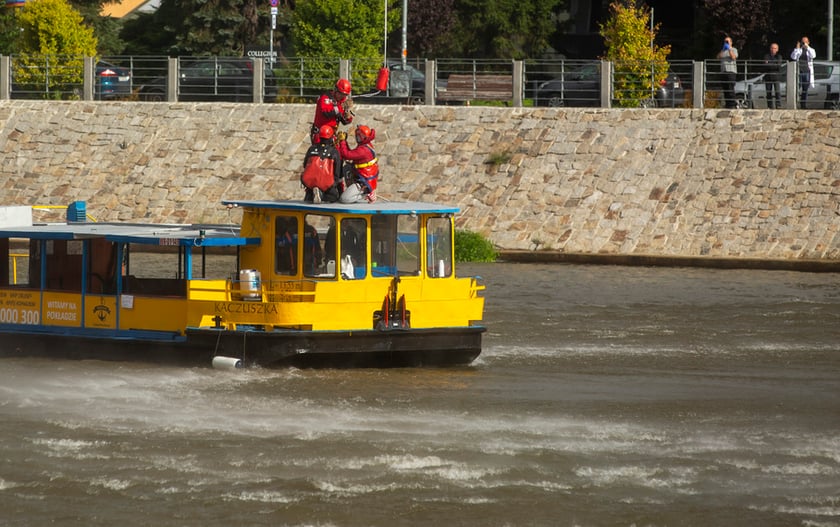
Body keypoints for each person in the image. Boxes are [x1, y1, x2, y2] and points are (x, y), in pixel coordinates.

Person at [336, 125, 379, 204]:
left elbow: (347, 155)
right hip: (362, 175)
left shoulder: (363, 150)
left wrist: (342, 141)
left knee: (344, 199)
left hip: (364, 181)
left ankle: (366, 195)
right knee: (347, 167)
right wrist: (343, 142)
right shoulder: (366, 145)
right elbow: (351, 154)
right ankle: (354, 191)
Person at [301, 125, 343, 203]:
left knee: (308, 198)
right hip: (327, 186)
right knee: (333, 198)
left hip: (310, 185)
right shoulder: (334, 152)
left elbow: (305, 165)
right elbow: (338, 172)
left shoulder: (311, 149)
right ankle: (321, 194)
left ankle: (314, 193)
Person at [311, 78, 354, 144]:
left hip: (331, 135)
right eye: (340, 94)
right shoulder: (325, 98)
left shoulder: (341, 101)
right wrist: (340, 107)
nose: (342, 96)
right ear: (335, 90)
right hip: (320, 135)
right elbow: (326, 113)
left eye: (344, 95)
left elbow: (344, 121)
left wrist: (347, 113)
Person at [791, 36, 816, 109]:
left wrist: (807, 47)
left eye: (805, 42)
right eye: (802, 42)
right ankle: (795, 103)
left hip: (807, 71)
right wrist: (797, 48)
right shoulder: (799, 50)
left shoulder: (811, 50)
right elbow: (793, 57)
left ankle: (803, 104)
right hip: (799, 71)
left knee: (805, 89)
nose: (804, 43)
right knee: (796, 88)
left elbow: (813, 55)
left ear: (808, 42)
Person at [717, 36, 739, 108]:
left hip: (731, 71)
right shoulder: (723, 51)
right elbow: (718, 57)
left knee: (730, 88)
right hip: (723, 71)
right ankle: (728, 104)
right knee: (725, 88)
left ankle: (733, 104)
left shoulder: (734, 49)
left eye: (727, 41)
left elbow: (733, 57)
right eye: (725, 41)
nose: (726, 43)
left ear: (731, 42)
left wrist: (729, 49)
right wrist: (723, 49)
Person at [763, 42, 784, 109]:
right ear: (770, 48)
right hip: (768, 76)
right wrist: (774, 64)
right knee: (768, 92)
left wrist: (770, 64)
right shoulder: (766, 56)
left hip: (776, 76)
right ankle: (770, 106)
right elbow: (766, 65)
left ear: (777, 49)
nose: (773, 49)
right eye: (772, 48)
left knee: (777, 92)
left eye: (775, 48)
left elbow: (779, 65)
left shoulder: (779, 56)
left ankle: (778, 105)